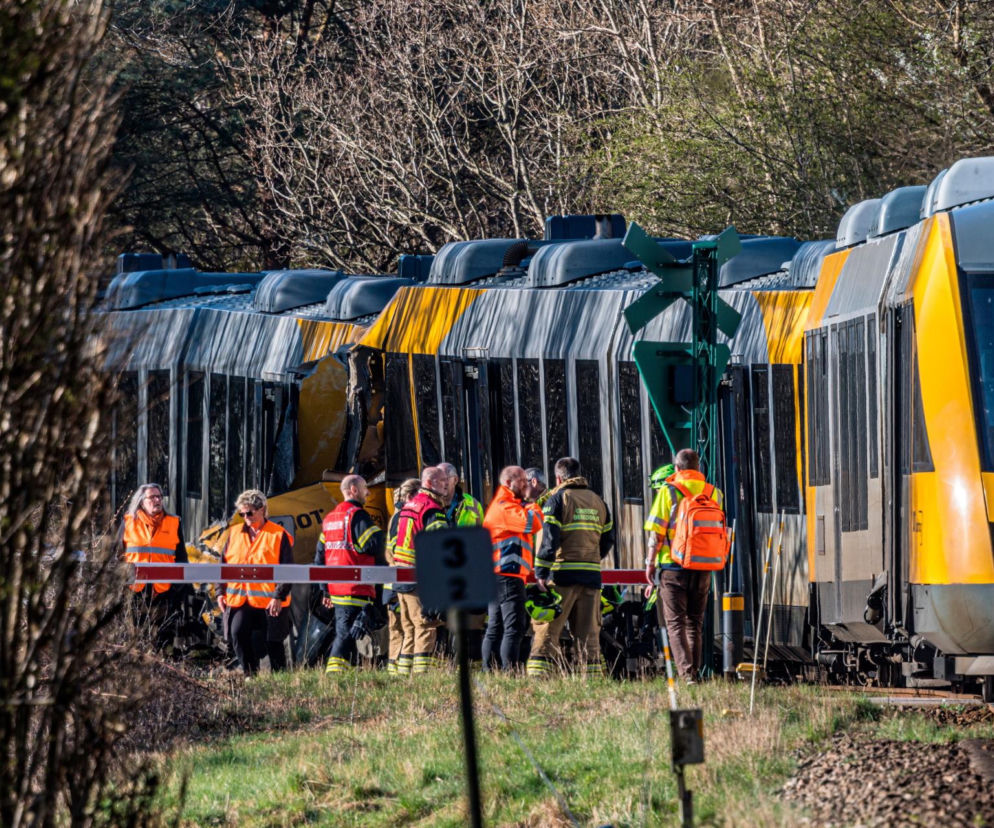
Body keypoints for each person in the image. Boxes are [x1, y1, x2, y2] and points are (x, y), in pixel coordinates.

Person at [527, 457, 614, 677]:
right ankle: (591, 678)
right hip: (591, 576)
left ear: (558, 477)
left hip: (562, 575)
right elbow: (608, 539)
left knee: (548, 628)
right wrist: (592, 558)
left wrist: (541, 572)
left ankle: (539, 676)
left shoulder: (557, 500)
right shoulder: (598, 501)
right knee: (588, 634)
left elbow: (549, 540)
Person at [644, 448, 724, 683]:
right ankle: (694, 672)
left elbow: (656, 532)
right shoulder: (713, 492)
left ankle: (687, 675)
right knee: (694, 623)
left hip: (673, 566)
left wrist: (650, 564)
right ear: (699, 468)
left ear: (677, 469)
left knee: (676, 623)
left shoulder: (669, 491)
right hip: (703, 566)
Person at [218, 489, 293, 676]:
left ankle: (281, 681)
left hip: (270, 600)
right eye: (242, 513)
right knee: (237, 634)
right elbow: (222, 566)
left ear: (262, 510)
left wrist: (278, 596)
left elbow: (288, 570)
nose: (245, 517)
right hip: (240, 599)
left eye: (249, 512)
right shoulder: (234, 533)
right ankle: (250, 675)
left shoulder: (278, 534)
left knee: (273, 642)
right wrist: (220, 592)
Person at [316, 475, 386, 674]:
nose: (368, 493)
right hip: (356, 587)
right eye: (365, 488)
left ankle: (348, 672)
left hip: (337, 590)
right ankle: (334, 675)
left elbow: (319, 559)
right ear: (354, 489)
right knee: (346, 635)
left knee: (350, 632)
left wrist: (325, 590)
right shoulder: (358, 516)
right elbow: (374, 544)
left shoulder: (330, 519)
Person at [481, 466, 543, 672]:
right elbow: (533, 524)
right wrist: (533, 503)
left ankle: (489, 669)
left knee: (496, 627)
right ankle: (510, 672)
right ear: (508, 483)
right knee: (514, 628)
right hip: (507, 575)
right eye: (522, 481)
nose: (526, 484)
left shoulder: (508, 505)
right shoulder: (504, 506)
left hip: (498, 576)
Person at [392, 466, 450, 673]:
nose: (447, 484)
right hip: (420, 577)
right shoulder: (432, 508)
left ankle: (403, 675)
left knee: (409, 629)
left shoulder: (410, 505)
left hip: (401, 575)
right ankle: (422, 677)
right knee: (426, 626)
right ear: (430, 483)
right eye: (442, 480)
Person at [119, 483, 188, 650]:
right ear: (142, 501)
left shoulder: (174, 523)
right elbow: (117, 556)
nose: (157, 500)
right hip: (135, 590)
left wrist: (177, 589)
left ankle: (163, 671)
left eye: (159, 497)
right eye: (152, 497)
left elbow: (181, 559)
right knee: (134, 638)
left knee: (163, 639)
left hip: (163, 591)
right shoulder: (128, 522)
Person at [384, 478, 421, 675]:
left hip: (392, 584)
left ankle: (394, 672)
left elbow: (389, 553)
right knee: (409, 628)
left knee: (397, 630)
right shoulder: (406, 517)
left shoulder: (395, 517)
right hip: (403, 582)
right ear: (410, 496)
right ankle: (404, 671)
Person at [438, 461, 485, 526]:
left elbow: (481, 533)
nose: (441, 483)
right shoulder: (429, 505)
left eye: (445, 478)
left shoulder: (474, 504)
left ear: (455, 480)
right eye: (437, 480)